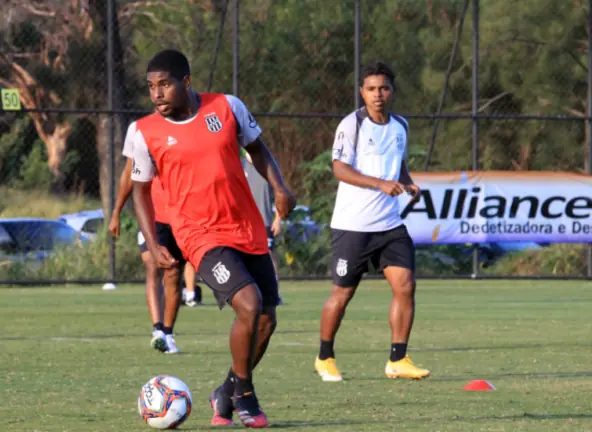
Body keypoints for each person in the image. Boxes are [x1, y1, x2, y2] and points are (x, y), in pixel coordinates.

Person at [130, 49, 296, 428]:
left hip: (246, 227)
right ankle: (245, 396)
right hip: (198, 234)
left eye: (165, 85)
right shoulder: (144, 131)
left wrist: (280, 188)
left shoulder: (227, 107)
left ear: (186, 83)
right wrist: (153, 243)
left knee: (267, 320)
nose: (157, 94)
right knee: (249, 304)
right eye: (151, 87)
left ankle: (225, 391)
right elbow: (140, 191)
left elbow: (258, 150)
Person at [314, 61, 430, 382]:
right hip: (353, 227)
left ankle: (398, 359)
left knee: (405, 286)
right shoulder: (351, 125)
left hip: (390, 226)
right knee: (342, 295)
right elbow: (339, 168)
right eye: (371, 89)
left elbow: (398, 163)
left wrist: (407, 183)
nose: (378, 94)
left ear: (391, 91)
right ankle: (325, 356)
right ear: (362, 92)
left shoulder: (400, 126)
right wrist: (380, 184)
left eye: (384, 88)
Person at [108, 121, 189, 354]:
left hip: (179, 213)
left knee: (173, 272)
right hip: (151, 215)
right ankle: (157, 330)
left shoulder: (188, 127)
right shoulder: (138, 129)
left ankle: (168, 332)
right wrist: (116, 211)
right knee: (152, 264)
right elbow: (128, 174)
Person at [241, 150, 282, 277]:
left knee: (267, 254)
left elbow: (279, 193)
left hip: (264, 221)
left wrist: (278, 219)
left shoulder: (267, 165)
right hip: (243, 223)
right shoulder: (238, 165)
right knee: (244, 257)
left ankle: (274, 291)